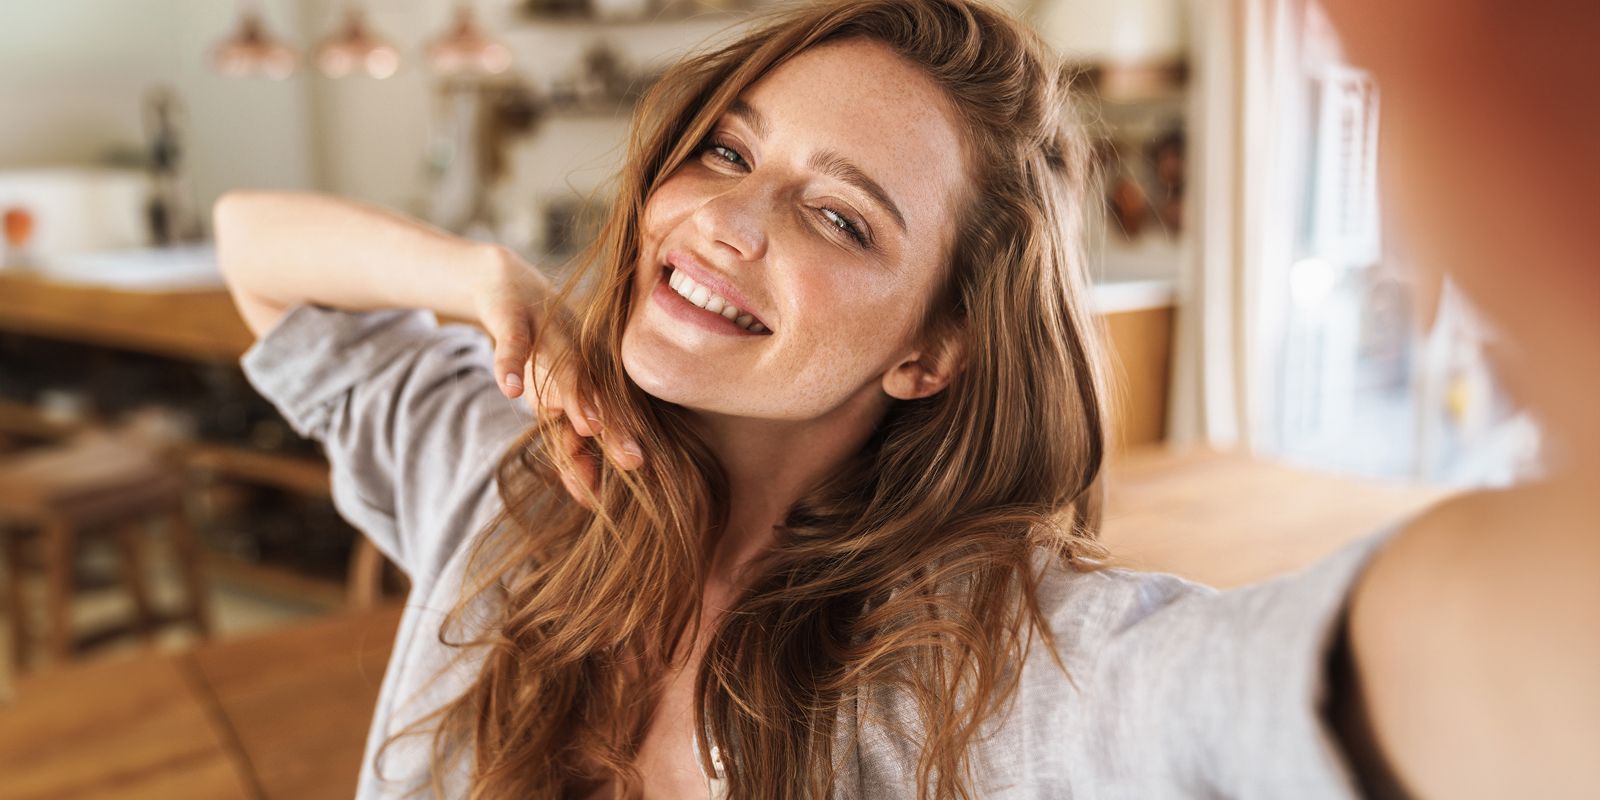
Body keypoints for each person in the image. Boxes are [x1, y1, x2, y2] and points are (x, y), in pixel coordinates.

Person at [214, 0, 1598, 797]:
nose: (726, 223)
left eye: (840, 217)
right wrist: (471, 276)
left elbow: (1355, 686)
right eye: (726, 151)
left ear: (930, 353)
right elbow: (254, 250)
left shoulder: (994, 674)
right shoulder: (505, 486)